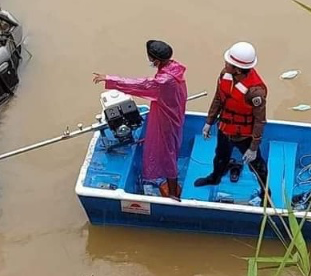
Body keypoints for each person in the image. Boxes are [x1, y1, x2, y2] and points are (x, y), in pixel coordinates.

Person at [93, 40, 188, 201]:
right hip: (174, 113)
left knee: (168, 153)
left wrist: (110, 80)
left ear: (154, 59)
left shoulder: (164, 82)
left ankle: (173, 192)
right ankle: (171, 185)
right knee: (171, 147)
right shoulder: (175, 69)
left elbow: (140, 85)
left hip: (166, 120)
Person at [194, 41, 269, 203]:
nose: (225, 63)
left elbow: (260, 121)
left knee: (258, 167)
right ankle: (215, 178)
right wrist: (209, 121)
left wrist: (253, 148)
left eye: (229, 62)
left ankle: (265, 194)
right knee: (220, 157)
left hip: (245, 135)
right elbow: (218, 99)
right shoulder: (225, 75)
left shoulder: (255, 92)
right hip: (225, 127)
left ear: (238, 68)